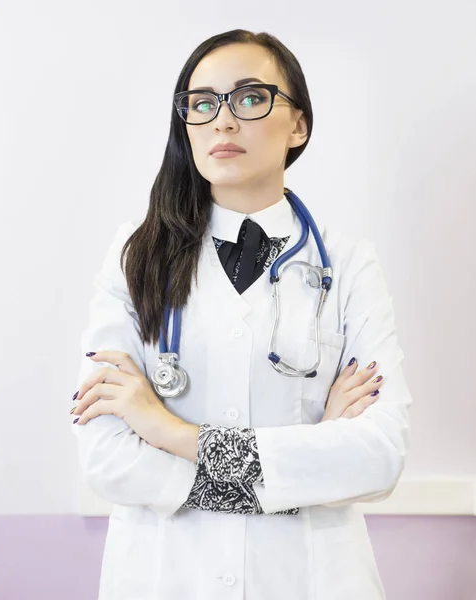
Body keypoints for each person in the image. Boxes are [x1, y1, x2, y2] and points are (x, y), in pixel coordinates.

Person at [71, 28, 413, 600]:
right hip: (165, 578)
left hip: (310, 581)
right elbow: (105, 457)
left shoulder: (350, 265)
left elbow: (378, 456)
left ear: (298, 124)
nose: (222, 122)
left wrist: (167, 431)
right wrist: (306, 461)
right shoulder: (134, 256)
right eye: (202, 104)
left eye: (250, 98)